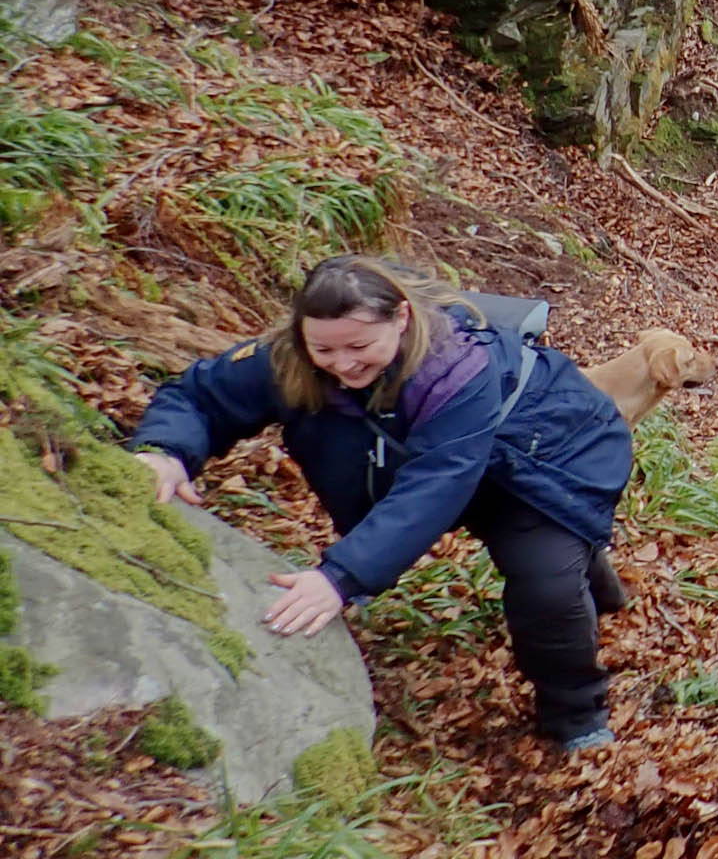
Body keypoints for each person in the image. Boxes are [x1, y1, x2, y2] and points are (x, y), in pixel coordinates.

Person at [128, 256, 633, 753]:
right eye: (323, 348)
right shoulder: (287, 358)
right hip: (438, 457)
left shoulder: (456, 368)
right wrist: (165, 451)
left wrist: (340, 577)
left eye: (360, 345)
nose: (343, 363)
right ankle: (585, 565)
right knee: (549, 558)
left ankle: (576, 714)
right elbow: (201, 396)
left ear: (402, 318)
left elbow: (434, 487)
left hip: (541, 458)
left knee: (547, 586)